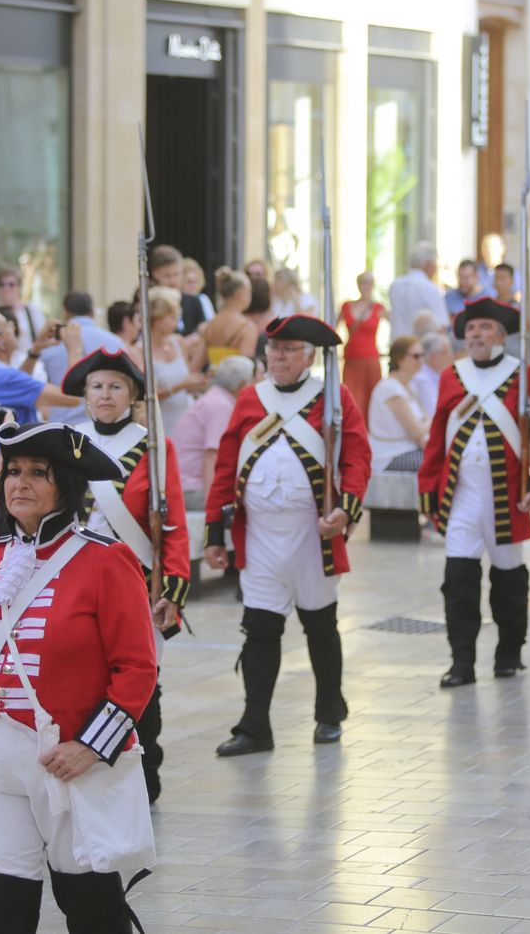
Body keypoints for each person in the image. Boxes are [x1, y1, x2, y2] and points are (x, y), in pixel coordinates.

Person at [0, 423, 157, 934]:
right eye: (12, 471)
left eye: (37, 473)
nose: (20, 482)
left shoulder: (106, 560)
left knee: (91, 908)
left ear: (65, 484)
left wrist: (91, 746)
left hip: (70, 761)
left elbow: (137, 668)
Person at [203, 315, 370, 756]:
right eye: (273, 350)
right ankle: (255, 726)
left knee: (320, 625)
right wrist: (215, 532)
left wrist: (345, 508)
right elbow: (226, 466)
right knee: (259, 629)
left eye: (288, 349)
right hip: (258, 535)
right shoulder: (249, 398)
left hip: (311, 535)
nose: (277, 357)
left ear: (310, 356)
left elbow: (356, 457)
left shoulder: (334, 398)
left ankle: (329, 713)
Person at [63, 348, 191, 803]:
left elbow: (171, 520)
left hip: (134, 578)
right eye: (96, 386)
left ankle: (144, 770)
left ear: (133, 395)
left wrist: (172, 586)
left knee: (141, 678)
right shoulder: (68, 440)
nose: (105, 394)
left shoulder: (154, 446)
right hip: (74, 576)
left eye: (116, 386)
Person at [419, 297, 530, 687]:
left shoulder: (523, 375)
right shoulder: (453, 375)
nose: (475, 335)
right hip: (461, 497)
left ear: (501, 335)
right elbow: (437, 438)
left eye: (484, 328)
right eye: (471, 328)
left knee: (509, 581)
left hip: (505, 499)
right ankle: (461, 662)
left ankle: (508, 654)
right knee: (458, 580)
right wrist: (428, 486)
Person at [0, 309, 73, 469]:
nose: (14, 328)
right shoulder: (6, 378)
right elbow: (71, 397)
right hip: (17, 469)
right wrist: (73, 348)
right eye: (8, 325)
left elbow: (17, 387)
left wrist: (36, 349)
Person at [173, 355, 256, 508]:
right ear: (243, 385)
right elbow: (213, 457)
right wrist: (213, 507)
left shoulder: (215, 398)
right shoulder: (220, 406)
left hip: (186, 486)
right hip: (192, 490)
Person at [147, 288, 205, 432]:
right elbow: (147, 395)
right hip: (161, 424)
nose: (176, 323)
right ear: (158, 319)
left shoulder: (178, 342)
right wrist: (180, 386)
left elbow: (187, 377)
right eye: (172, 317)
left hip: (185, 418)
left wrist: (198, 382)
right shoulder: (142, 350)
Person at [369, 336, 429, 473]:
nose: (421, 360)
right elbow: (417, 430)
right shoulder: (390, 388)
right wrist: (435, 421)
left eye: (422, 355)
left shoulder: (408, 386)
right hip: (390, 455)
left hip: (409, 449)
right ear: (400, 358)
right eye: (416, 356)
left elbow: (422, 426)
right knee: (436, 465)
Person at [339, 272, 385, 424]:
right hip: (352, 359)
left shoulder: (378, 308)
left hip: (370, 359)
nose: (366, 286)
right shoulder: (346, 306)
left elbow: (398, 323)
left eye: (369, 283)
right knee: (352, 398)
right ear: (358, 284)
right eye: (363, 283)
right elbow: (332, 326)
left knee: (373, 399)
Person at [388, 242, 449, 341]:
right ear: (428, 264)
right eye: (435, 264)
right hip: (419, 350)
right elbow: (441, 327)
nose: (435, 268)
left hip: (397, 347)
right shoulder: (430, 288)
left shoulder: (395, 286)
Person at [200, 268, 257, 366]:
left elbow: (196, 365)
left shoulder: (209, 326)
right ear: (241, 295)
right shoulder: (247, 328)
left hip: (213, 380)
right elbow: (244, 369)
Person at [148, 245, 207, 336]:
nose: (173, 281)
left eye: (176, 274)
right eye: (167, 276)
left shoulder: (194, 302)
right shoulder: (149, 302)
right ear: (155, 274)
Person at [0, 267, 49, 363]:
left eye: (11, 285)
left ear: (19, 287)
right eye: (1, 284)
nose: (6, 289)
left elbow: (42, 337)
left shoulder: (31, 310)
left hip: (29, 362)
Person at [413, 330, 452, 415]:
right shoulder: (422, 379)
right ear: (434, 356)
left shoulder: (436, 374)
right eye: (446, 352)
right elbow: (434, 412)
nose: (450, 356)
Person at [178, 257, 215, 322]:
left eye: (196, 281)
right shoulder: (175, 300)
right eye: (189, 281)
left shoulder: (203, 299)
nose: (193, 285)